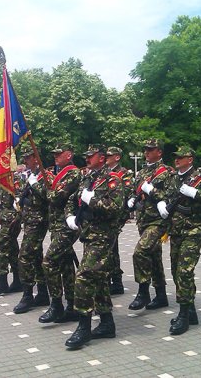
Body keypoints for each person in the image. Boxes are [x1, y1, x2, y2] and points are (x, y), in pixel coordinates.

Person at [157, 146, 201, 335]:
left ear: (190, 159)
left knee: (184, 271)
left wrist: (196, 193)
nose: (177, 160)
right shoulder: (173, 178)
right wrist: (161, 203)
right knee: (175, 270)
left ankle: (184, 314)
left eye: (181, 157)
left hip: (194, 231)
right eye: (176, 157)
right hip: (176, 231)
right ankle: (192, 310)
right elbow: (164, 195)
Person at [63, 144, 124, 349]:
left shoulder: (112, 179)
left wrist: (94, 200)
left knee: (84, 276)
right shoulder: (87, 178)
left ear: (102, 157)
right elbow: (72, 200)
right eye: (86, 155)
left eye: (91, 156)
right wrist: (70, 216)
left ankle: (84, 325)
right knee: (98, 279)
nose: (87, 159)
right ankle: (107, 323)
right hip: (88, 235)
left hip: (104, 237)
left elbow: (115, 208)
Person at [126, 139, 171, 311]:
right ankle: (161, 296)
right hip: (143, 219)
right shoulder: (143, 172)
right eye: (145, 149)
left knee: (140, 252)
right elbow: (134, 189)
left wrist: (151, 190)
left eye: (150, 150)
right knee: (154, 257)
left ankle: (143, 291)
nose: (146, 152)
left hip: (158, 220)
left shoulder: (167, 172)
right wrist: (131, 198)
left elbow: (170, 194)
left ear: (159, 152)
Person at [39, 143, 81, 324]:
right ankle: (72, 306)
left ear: (69, 155)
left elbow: (56, 197)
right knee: (65, 266)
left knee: (49, 262)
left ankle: (56, 305)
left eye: (59, 154)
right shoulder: (59, 173)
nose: (55, 157)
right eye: (54, 154)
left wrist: (46, 190)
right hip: (56, 226)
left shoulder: (73, 173)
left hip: (66, 226)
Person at [13, 147, 51, 314]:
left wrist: (35, 184)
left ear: (36, 159)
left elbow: (48, 196)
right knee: (35, 257)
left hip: (39, 221)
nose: (26, 161)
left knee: (25, 256)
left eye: (29, 158)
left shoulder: (45, 175)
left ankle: (27, 294)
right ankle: (42, 293)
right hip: (28, 221)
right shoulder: (28, 175)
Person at [0, 175, 23, 297]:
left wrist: (18, 218)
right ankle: (18, 281)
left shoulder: (14, 179)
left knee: (0, 249)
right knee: (12, 249)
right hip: (3, 217)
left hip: (12, 220)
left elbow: (21, 200)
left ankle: (2, 282)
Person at [105, 146, 133, 295]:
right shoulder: (105, 173)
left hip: (116, 215)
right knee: (111, 249)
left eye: (109, 155)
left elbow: (127, 192)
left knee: (111, 248)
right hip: (106, 215)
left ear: (117, 157)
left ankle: (116, 281)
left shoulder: (124, 174)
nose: (106, 157)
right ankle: (114, 280)